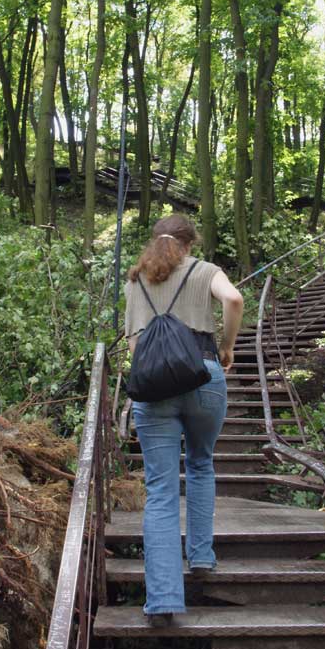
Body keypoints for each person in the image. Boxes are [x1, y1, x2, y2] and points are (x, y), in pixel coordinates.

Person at [124, 213, 244, 625]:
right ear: (190, 243)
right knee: (200, 463)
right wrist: (227, 347)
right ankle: (202, 558)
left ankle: (163, 601)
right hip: (204, 375)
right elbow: (234, 300)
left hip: (154, 385)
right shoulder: (205, 270)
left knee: (159, 489)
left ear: (156, 241)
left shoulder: (136, 278)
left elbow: (137, 342)